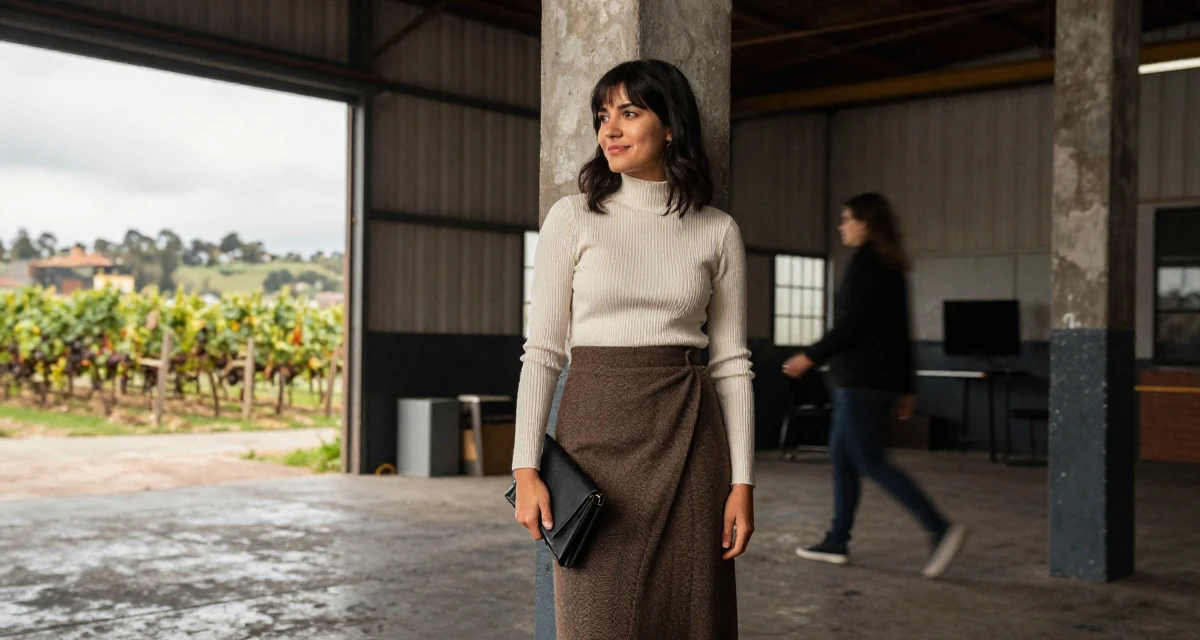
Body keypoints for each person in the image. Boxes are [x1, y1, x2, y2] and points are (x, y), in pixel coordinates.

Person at [511, 59, 754, 639]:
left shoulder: (717, 230)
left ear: (670, 127)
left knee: (690, 618)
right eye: (602, 116)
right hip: (593, 441)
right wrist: (526, 467)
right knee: (592, 619)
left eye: (629, 112)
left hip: (688, 436)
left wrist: (742, 484)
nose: (610, 130)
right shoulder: (573, 217)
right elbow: (542, 352)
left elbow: (732, 365)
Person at [782, 193, 967, 579]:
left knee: (869, 461)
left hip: (861, 382)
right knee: (842, 458)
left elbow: (851, 325)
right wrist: (907, 387)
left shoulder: (866, 263)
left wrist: (810, 356)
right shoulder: (891, 266)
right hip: (876, 382)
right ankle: (837, 540)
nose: (842, 227)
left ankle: (939, 528)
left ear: (865, 222)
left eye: (847, 219)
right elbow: (902, 332)